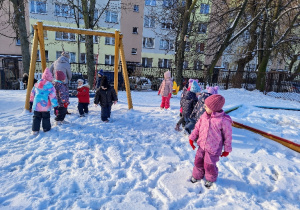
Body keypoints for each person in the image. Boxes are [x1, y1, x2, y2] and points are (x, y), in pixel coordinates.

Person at [189, 94, 232, 189]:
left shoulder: (223, 120)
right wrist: (192, 138)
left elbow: (228, 136)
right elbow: (197, 128)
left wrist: (227, 149)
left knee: (209, 165)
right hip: (202, 146)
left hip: (213, 148)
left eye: (206, 106)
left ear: (214, 108)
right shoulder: (204, 116)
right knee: (198, 161)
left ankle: (210, 178)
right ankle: (197, 176)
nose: (204, 108)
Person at [30, 68, 58, 135]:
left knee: (36, 117)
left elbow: (32, 94)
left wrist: (31, 102)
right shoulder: (50, 86)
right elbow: (53, 97)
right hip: (45, 106)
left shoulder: (37, 84)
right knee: (46, 117)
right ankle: (46, 128)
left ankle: (35, 130)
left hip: (37, 105)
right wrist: (55, 106)